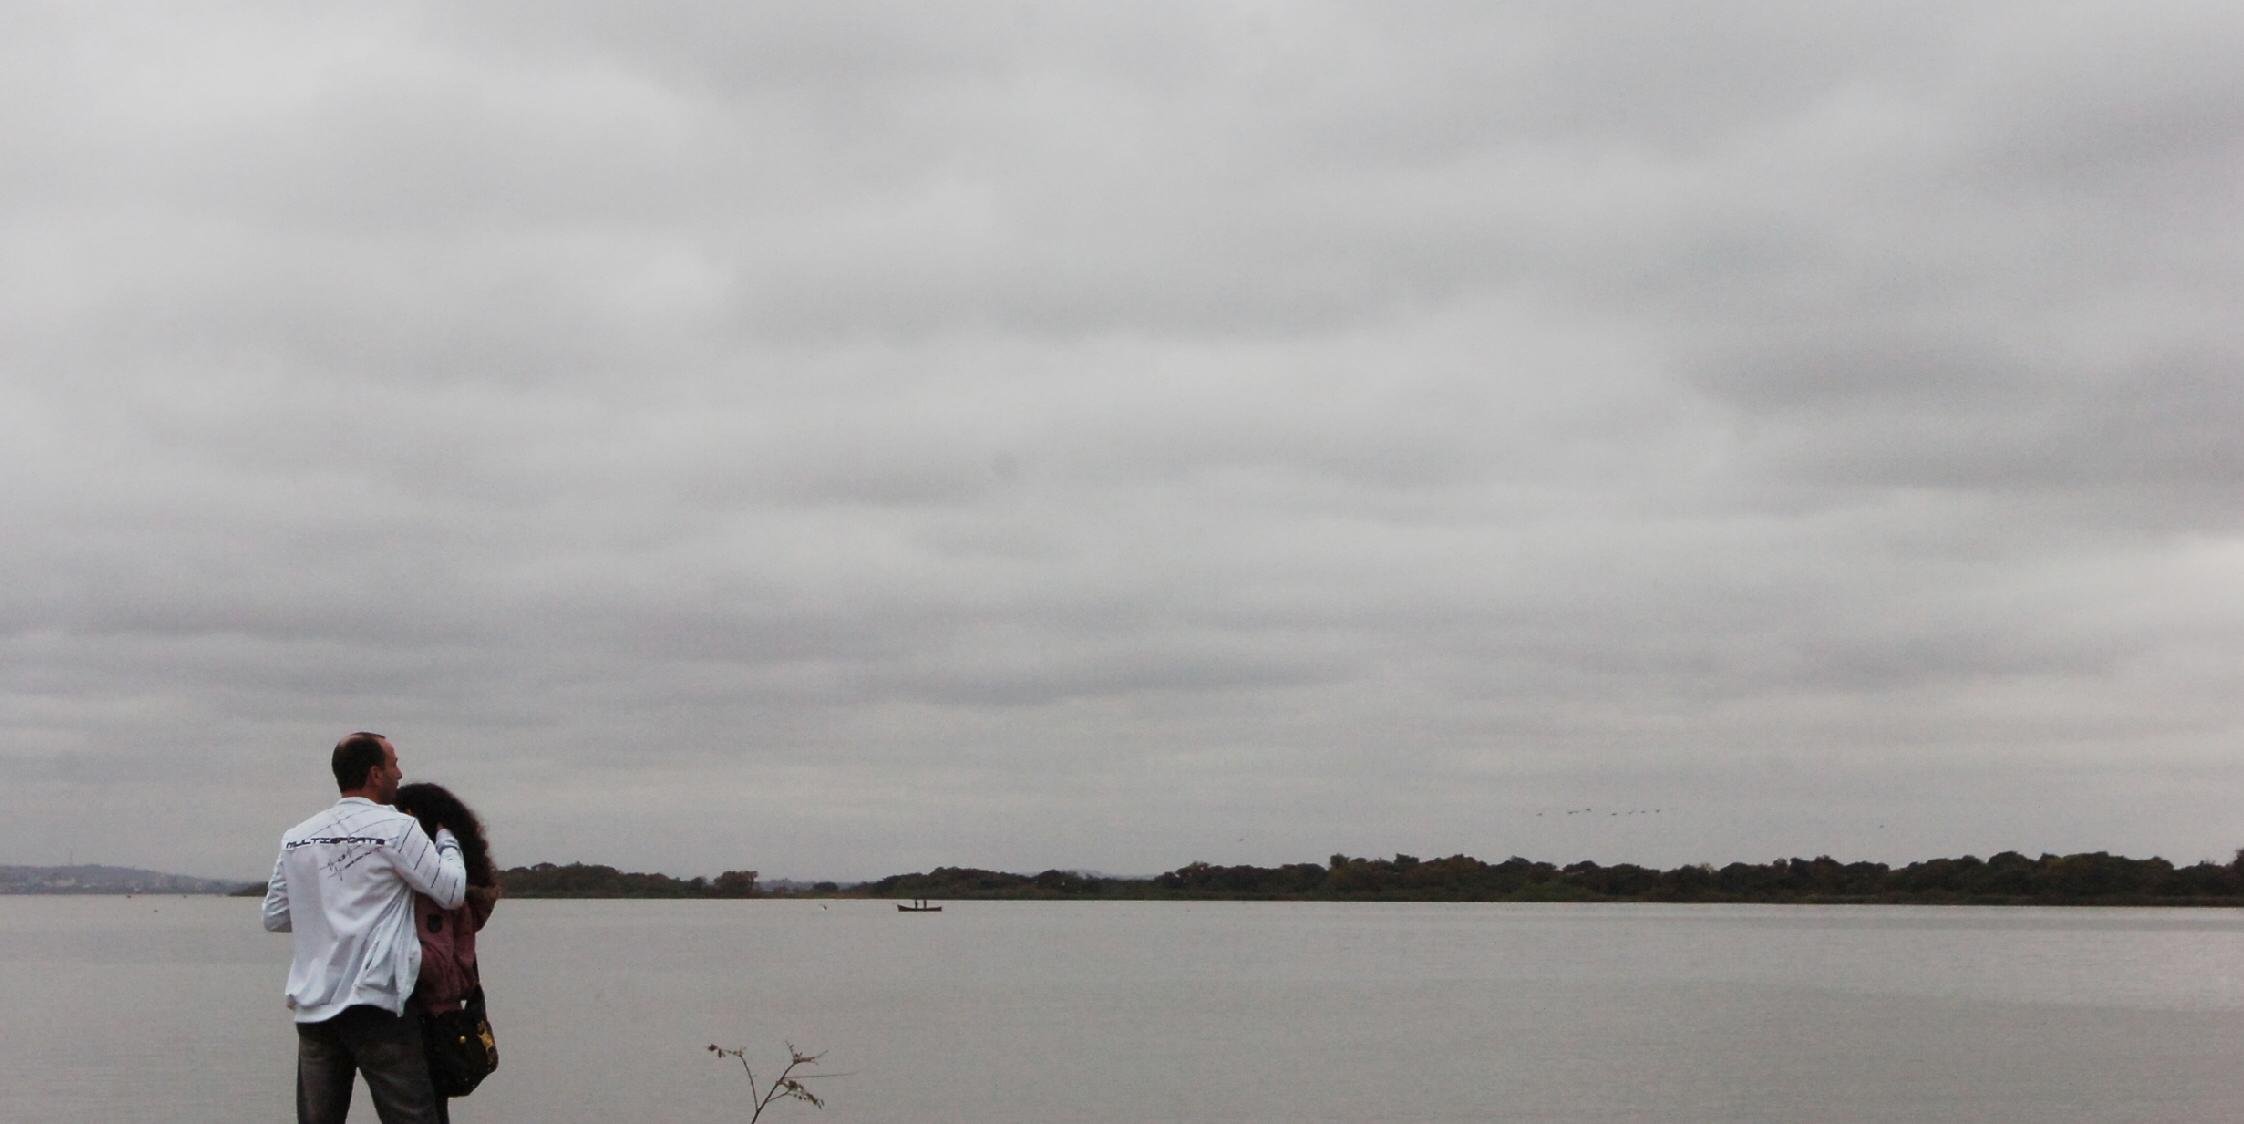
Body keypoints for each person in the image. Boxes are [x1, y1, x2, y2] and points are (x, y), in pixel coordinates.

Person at [265, 732, 465, 1124]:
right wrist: (448, 840)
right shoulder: (398, 829)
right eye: (394, 764)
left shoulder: (296, 838)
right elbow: (452, 891)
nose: (400, 773)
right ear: (375, 774)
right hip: (378, 1001)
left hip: (314, 1005)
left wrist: (325, 910)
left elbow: (274, 915)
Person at [393, 782, 501, 1121]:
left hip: (425, 1014)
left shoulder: (432, 893)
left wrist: (383, 958)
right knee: (434, 1109)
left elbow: (435, 962)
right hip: (450, 1012)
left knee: (422, 1108)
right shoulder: (463, 889)